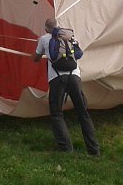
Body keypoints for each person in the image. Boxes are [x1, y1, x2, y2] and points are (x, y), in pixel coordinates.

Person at [33, 18, 100, 155]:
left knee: (57, 113)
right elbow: (78, 54)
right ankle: (94, 149)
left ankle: (66, 149)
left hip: (57, 78)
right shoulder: (70, 37)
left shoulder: (44, 39)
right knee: (82, 113)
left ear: (46, 29)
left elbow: (36, 58)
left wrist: (37, 50)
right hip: (74, 77)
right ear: (59, 26)